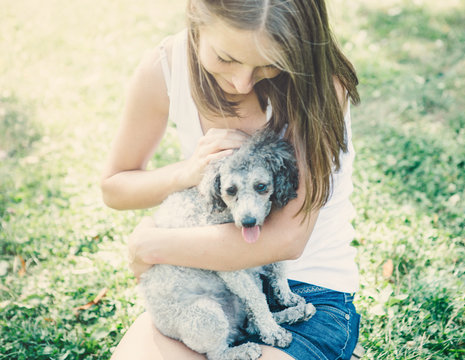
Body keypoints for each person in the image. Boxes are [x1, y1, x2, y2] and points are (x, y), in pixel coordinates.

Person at [101, 0, 361, 359]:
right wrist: (185, 171)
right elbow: (115, 185)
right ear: (196, 14)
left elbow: (284, 240)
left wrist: (152, 246)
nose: (241, 83)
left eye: (270, 64)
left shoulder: (318, 85)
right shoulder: (165, 68)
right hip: (204, 289)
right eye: (226, 58)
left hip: (306, 289)